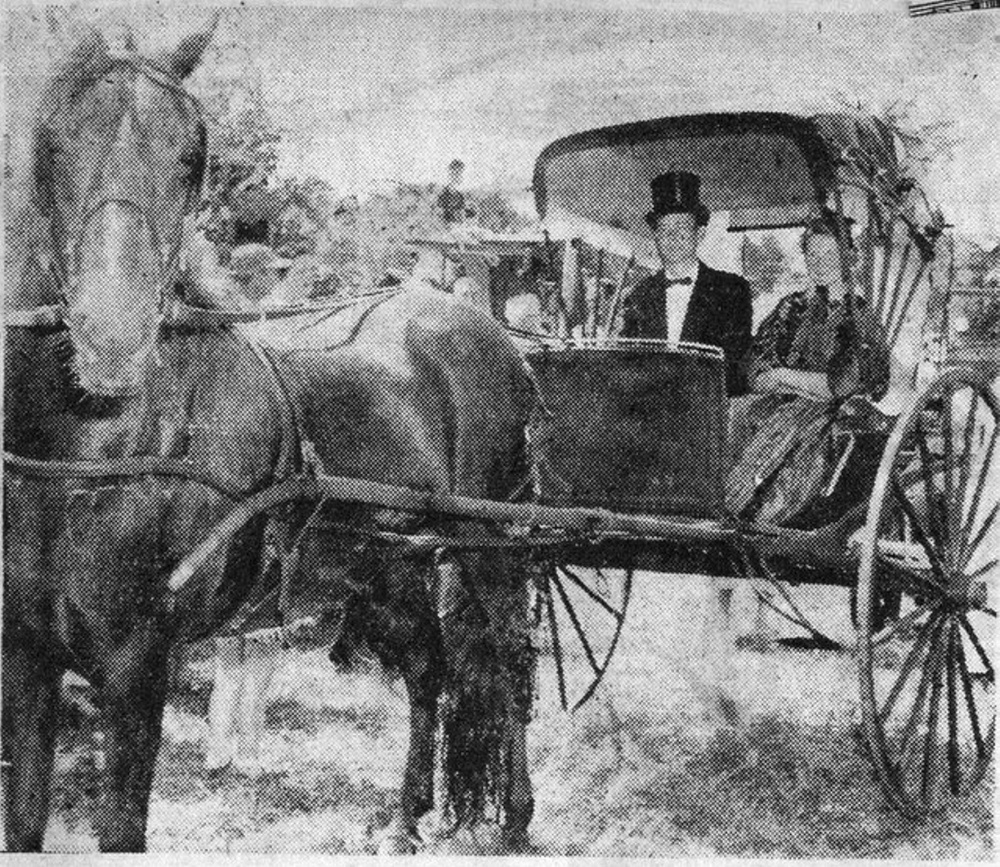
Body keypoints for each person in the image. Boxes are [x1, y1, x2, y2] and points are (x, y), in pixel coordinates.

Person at [620, 171, 753, 396]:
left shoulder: (732, 290)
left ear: (699, 234)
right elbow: (629, 365)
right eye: (664, 230)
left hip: (707, 415)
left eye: (682, 228)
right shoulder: (639, 296)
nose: (673, 237)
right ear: (656, 237)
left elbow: (734, 367)